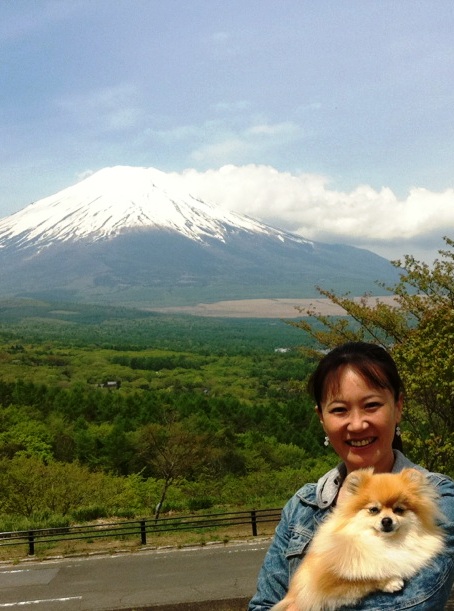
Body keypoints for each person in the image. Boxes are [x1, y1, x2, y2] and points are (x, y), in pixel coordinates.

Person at [248, 341, 454, 610]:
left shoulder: (439, 498)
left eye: (371, 405)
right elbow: (263, 604)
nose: (357, 424)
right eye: (339, 410)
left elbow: (405, 605)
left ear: (398, 407)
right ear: (321, 418)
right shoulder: (303, 506)